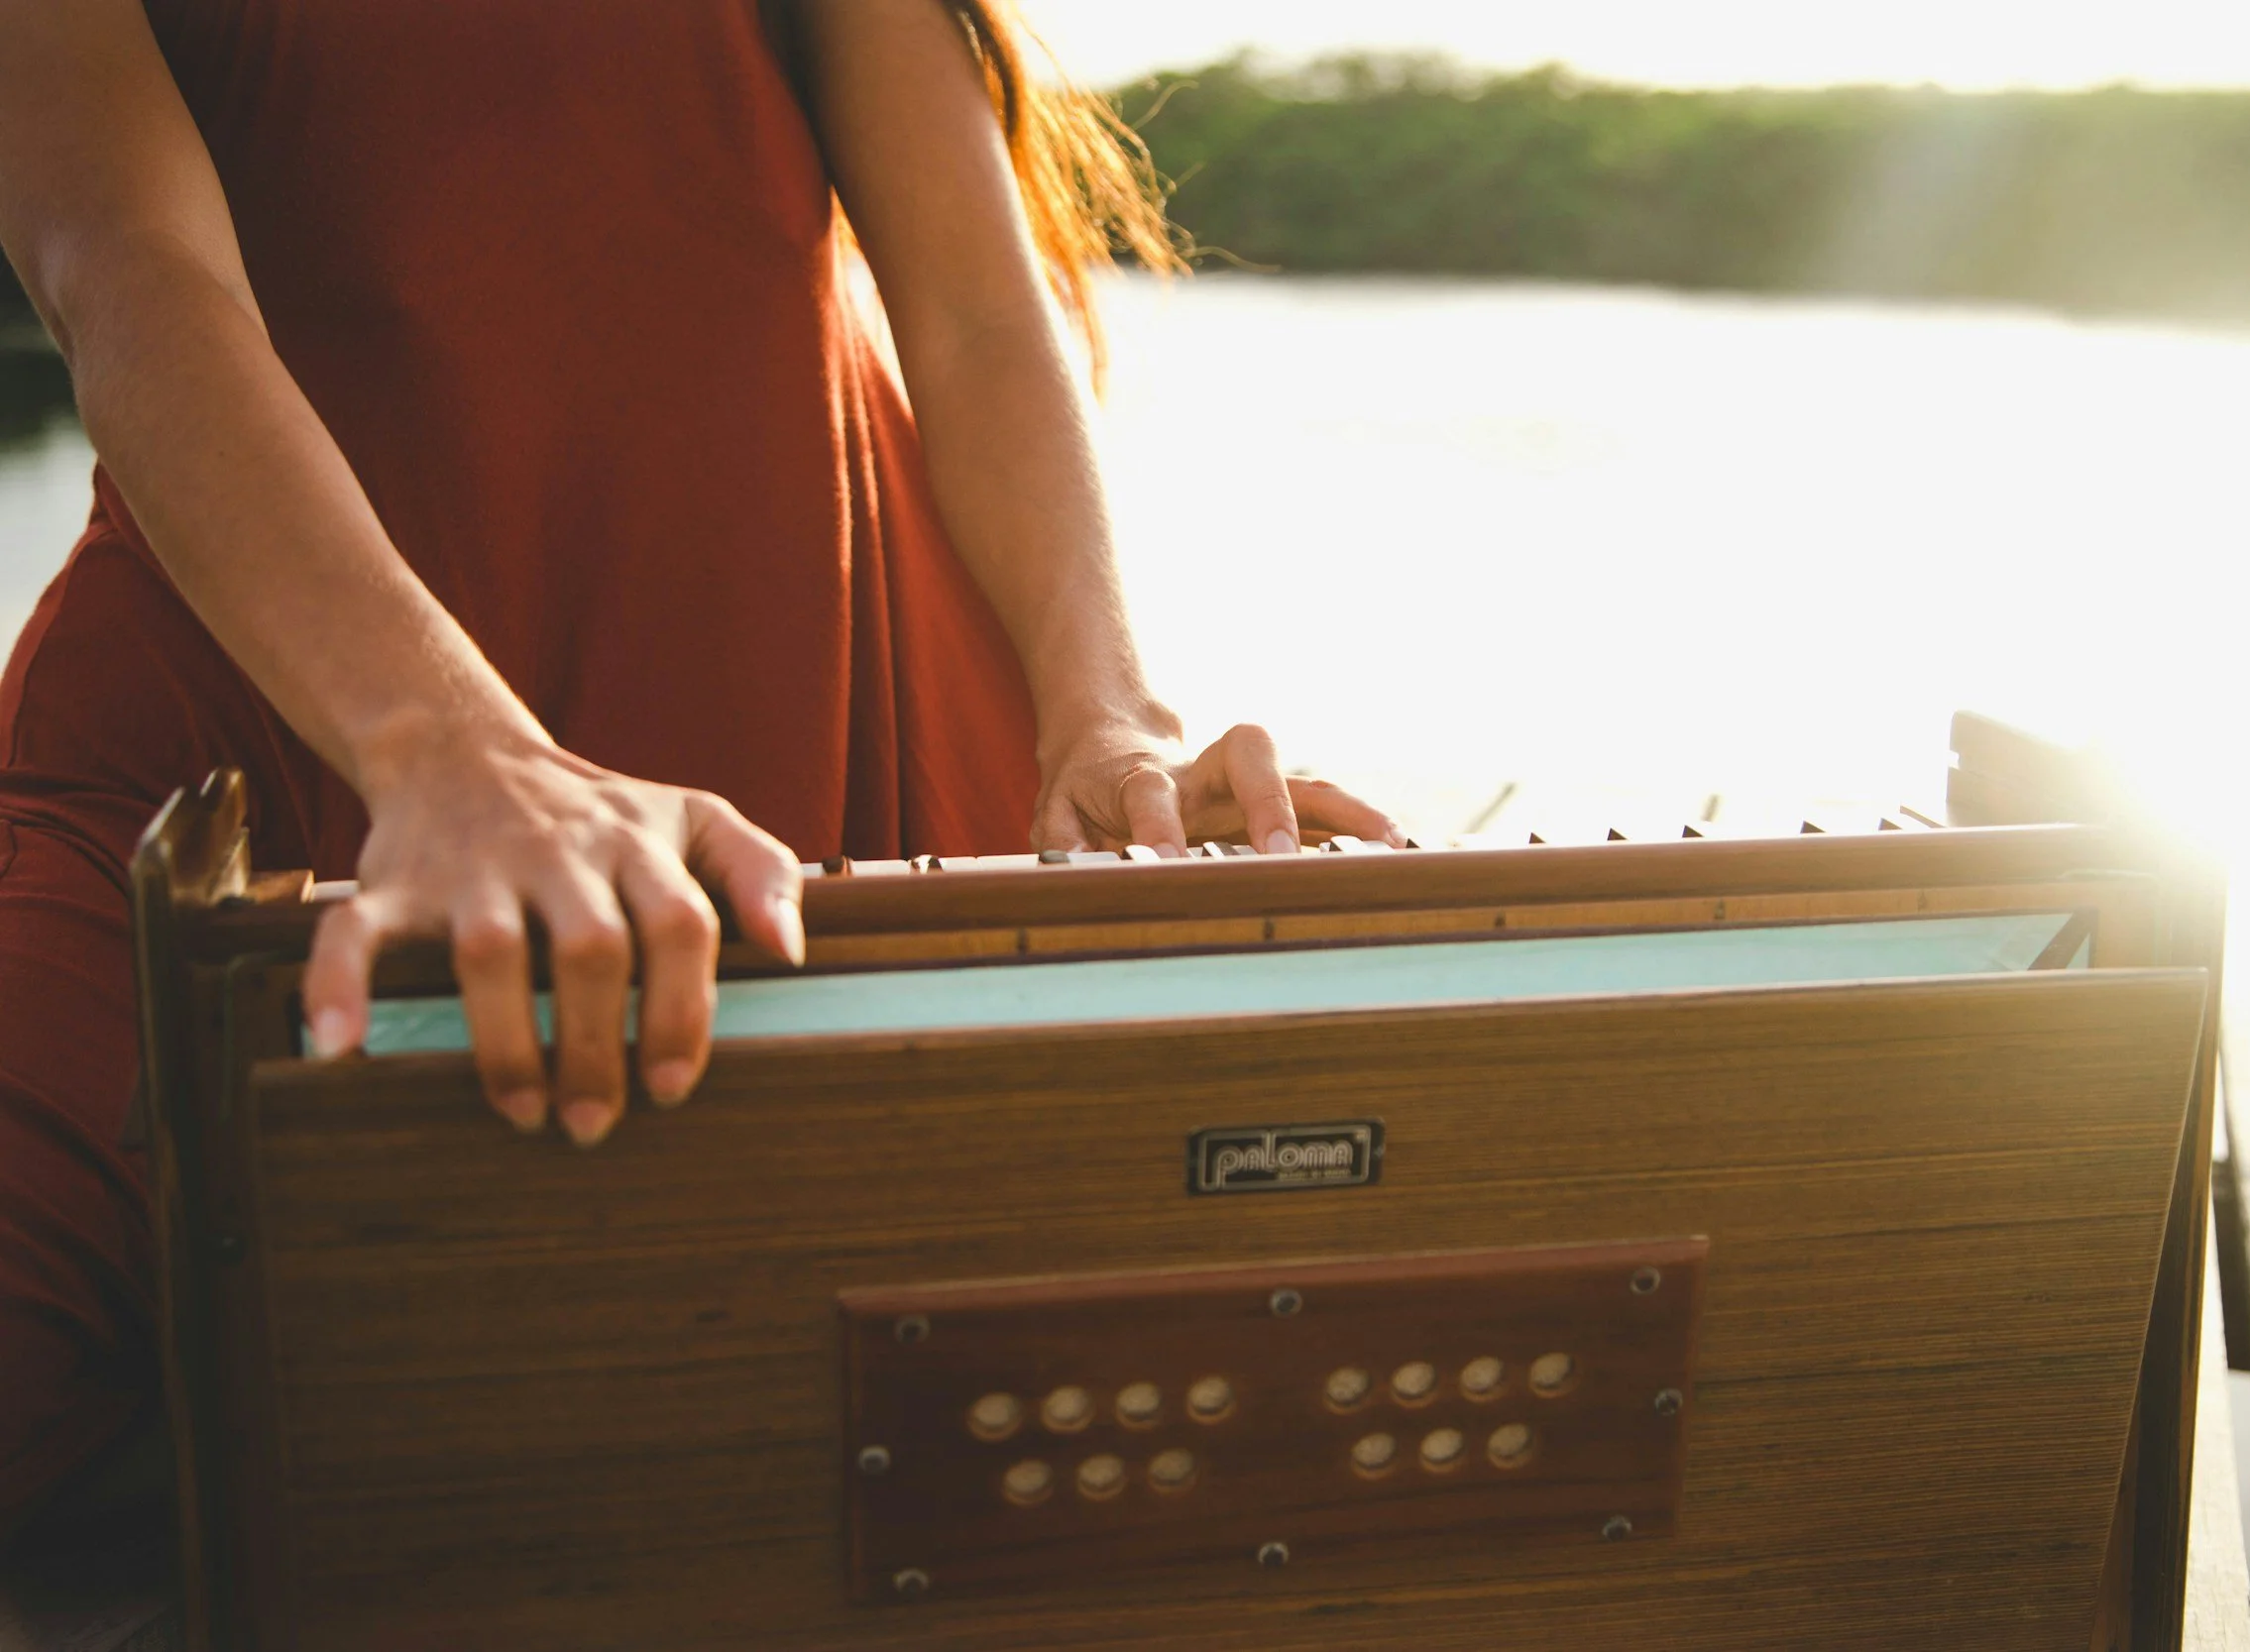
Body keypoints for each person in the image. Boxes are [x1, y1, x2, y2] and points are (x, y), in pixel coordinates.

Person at [0, 0, 1397, 1543]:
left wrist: (1105, 716)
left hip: (812, 715)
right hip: (247, 742)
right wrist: (451, 752)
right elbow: (128, 273)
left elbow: (980, 313)